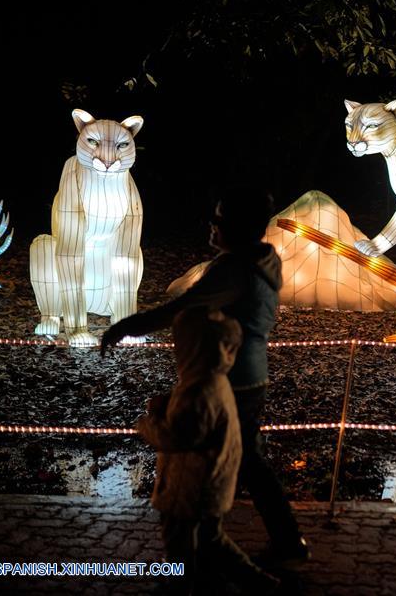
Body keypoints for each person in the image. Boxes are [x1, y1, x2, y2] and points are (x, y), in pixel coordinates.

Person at [102, 187, 308, 565]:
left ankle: (212, 541)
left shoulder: (233, 270)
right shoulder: (265, 258)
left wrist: (123, 327)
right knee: (246, 460)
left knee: (214, 458)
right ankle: (274, 539)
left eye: (219, 221)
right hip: (251, 375)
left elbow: (179, 307)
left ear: (240, 228)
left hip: (230, 378)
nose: (211, 227)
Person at [136, 307, 281, 594]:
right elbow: (198, 421)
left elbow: (179, 436)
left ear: (192, 347)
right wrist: (169, 405)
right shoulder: (214, 378)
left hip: (188, 487)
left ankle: (183, 586)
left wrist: (149, 424)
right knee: (210, 538)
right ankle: (254, 581)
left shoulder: (197, 390)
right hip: (211, 482)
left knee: (180, 542)